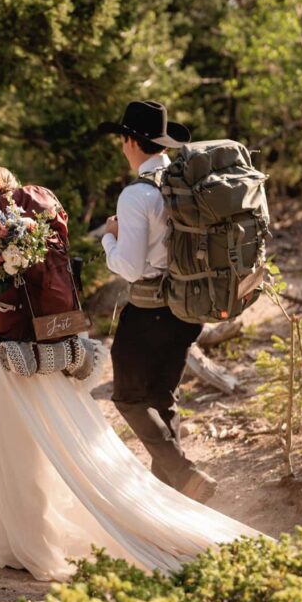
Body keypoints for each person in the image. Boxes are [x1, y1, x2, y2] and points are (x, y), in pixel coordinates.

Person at [0, 164, 258, 582]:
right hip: (46, 358)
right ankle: (53, 536)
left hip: (0, 363)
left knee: (5, 454)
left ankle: (23, 546)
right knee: (51, 449)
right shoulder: (39, 238)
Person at [97, 100, 218, 503]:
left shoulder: (136, 195)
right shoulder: (186, 180)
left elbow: (129, 267)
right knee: (162, 398)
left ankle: (183, 474)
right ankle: (173, 498)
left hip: (149, 310)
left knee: (128, 397)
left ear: (131, 140)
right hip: (190, 304)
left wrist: (109, 237)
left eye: (122, 139)